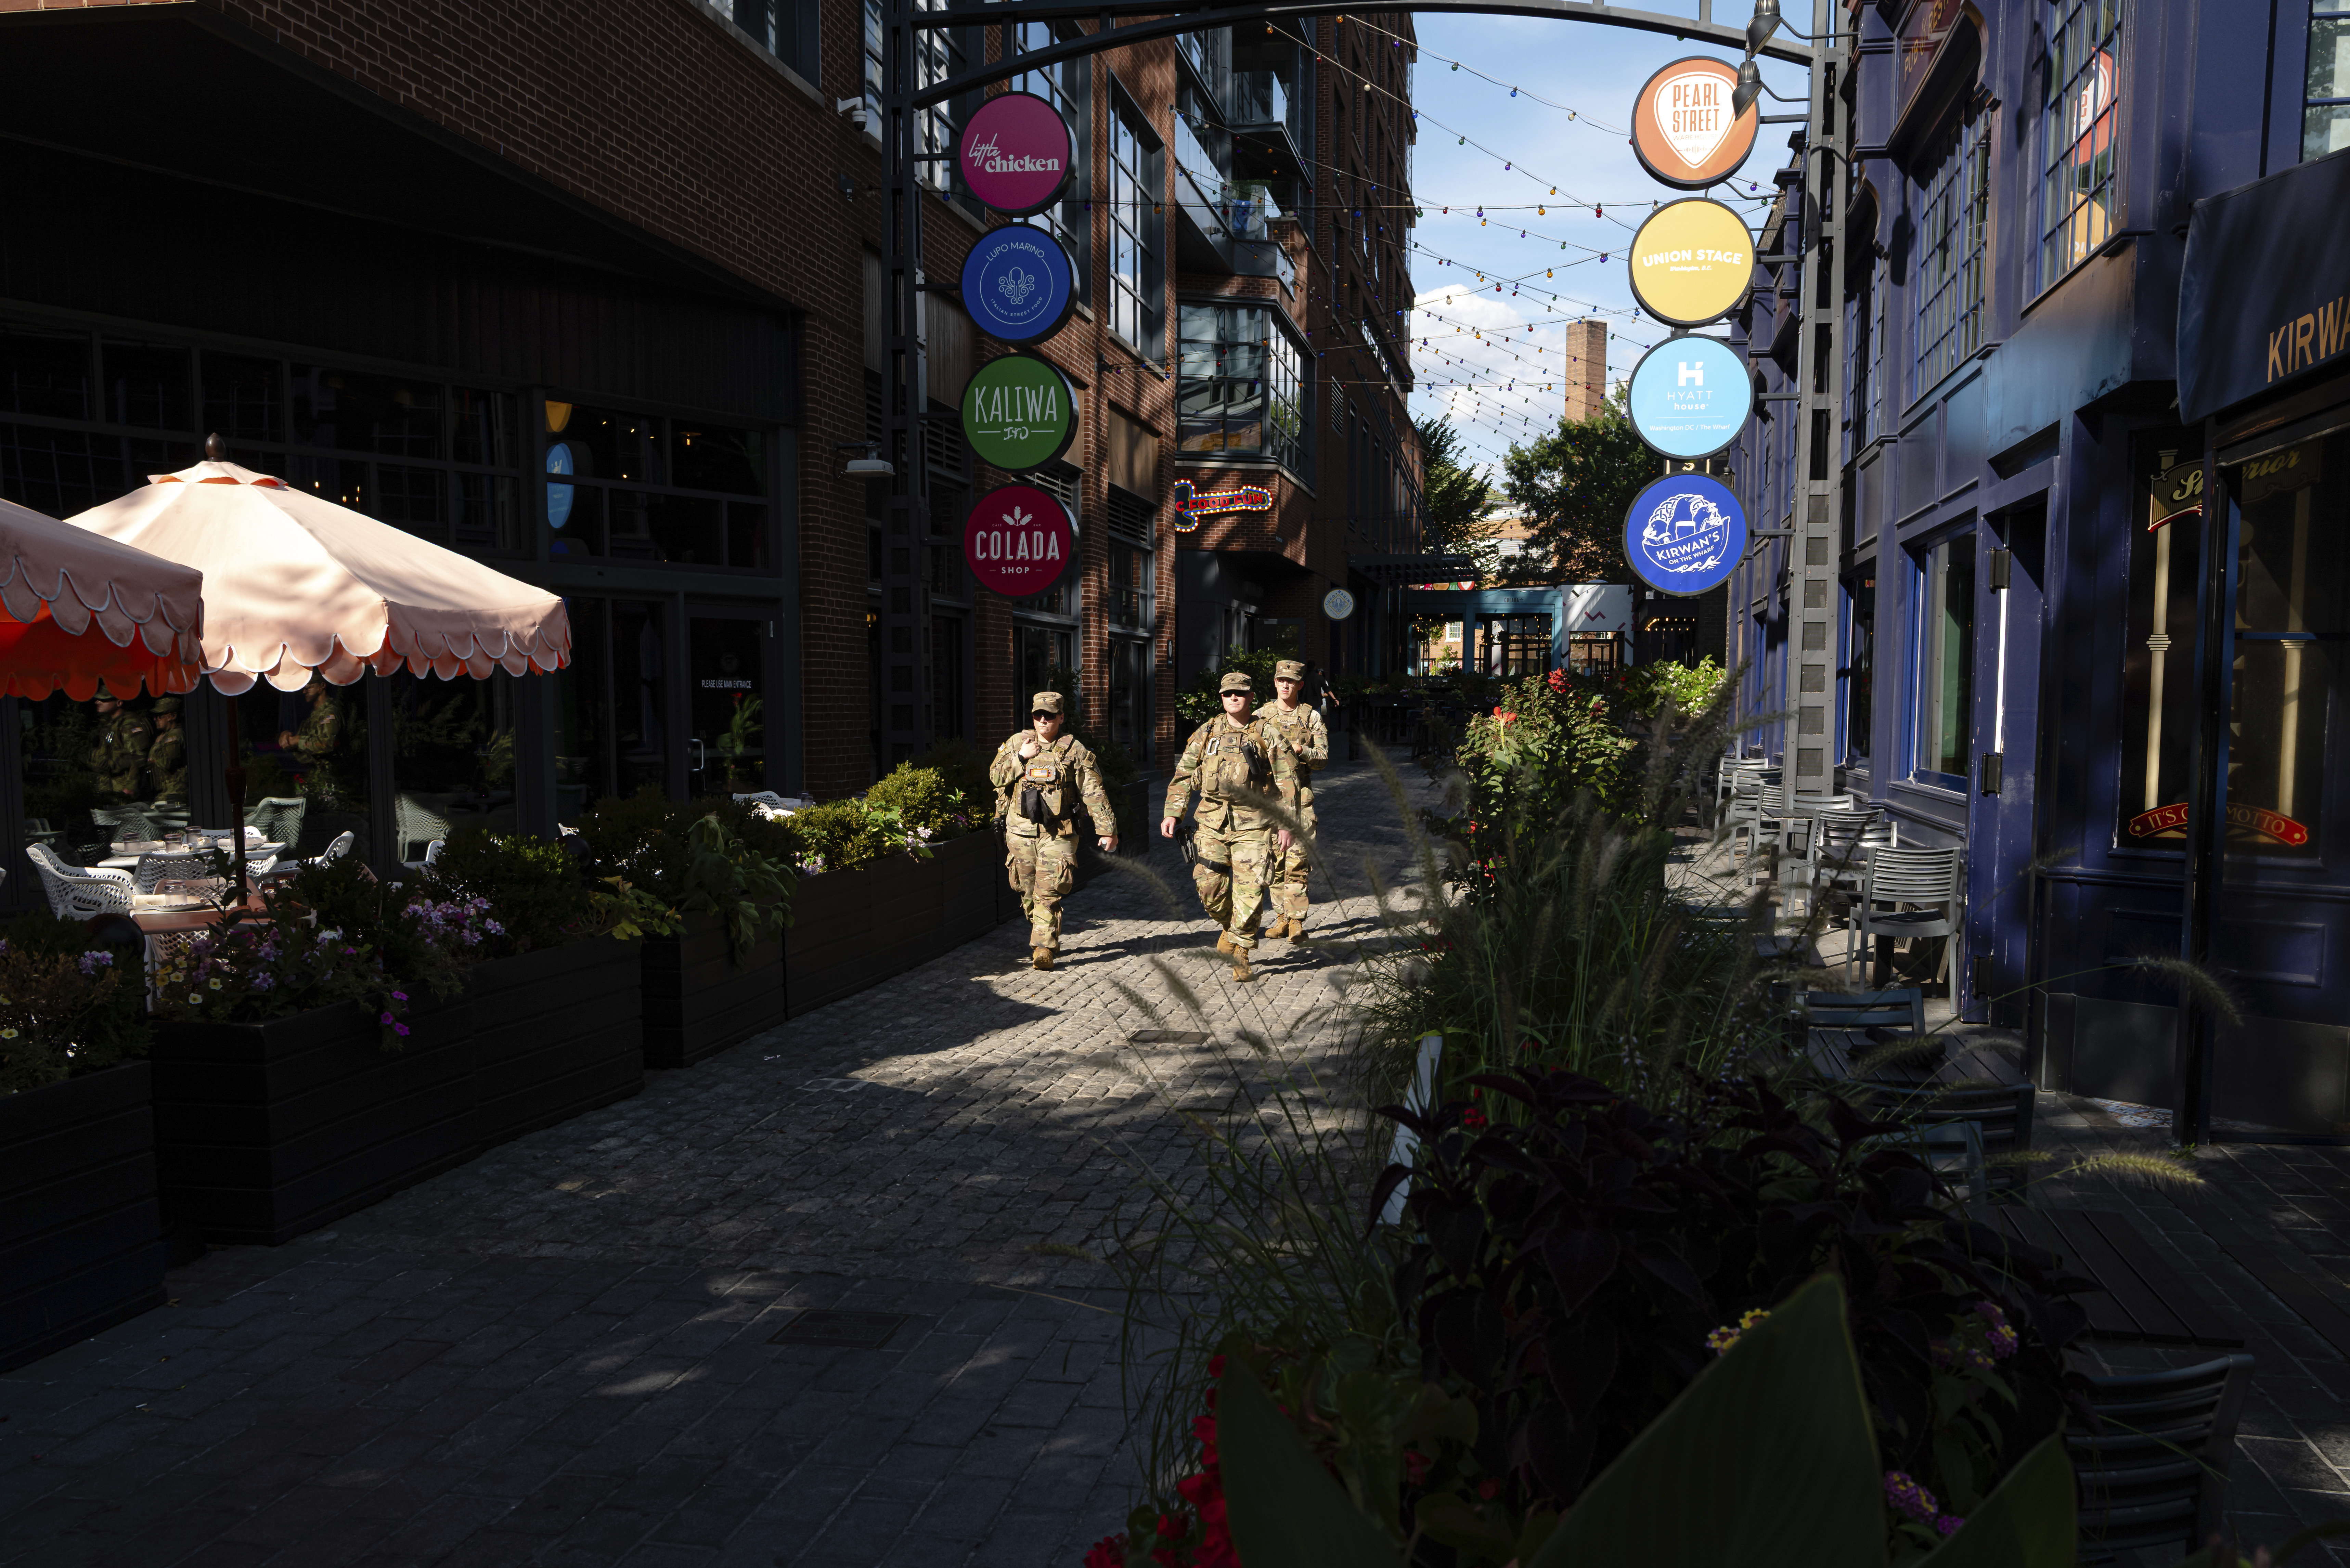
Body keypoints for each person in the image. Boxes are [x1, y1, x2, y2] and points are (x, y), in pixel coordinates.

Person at [1161, 671, 1299, 982]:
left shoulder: (1267, 733)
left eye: (1240, 693)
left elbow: (1288, 780)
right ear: (1221, 697)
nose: (1233, 698)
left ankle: (1241, 950)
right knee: (1209, 888)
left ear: (1251, 697)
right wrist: (1173, 812)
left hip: (1255, 823)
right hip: (1211, 821)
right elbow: (1185, 774)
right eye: (1227, 694)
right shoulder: (1207, 731)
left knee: (1250, 891)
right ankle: (1231, 927)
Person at [989, 691, 1119, 972]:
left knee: (1048, 892)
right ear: (1033, 716)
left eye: (1050, 715)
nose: (1044, 720)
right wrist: (1021, 759)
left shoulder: (1074, 750)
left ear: (1061, 717)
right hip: (1020, 833)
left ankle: (1043, 947)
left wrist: (1107, 829)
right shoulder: (1016, 743)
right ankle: (1045, 931)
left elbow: (1093, 790)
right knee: (1026, 890)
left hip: (1059, 834)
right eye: (1039, 715)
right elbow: (995, 776)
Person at [1258, 658, 1329, 941]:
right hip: (1269, 801)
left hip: (1301, 800)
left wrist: (1302, 750)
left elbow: (1323, 758)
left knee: (1297, 861)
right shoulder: (1261, 716)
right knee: (1275, 861)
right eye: (1281, 680)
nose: (1285, 685)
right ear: (1275, 682)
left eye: (1291, 681)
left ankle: (1297, 920)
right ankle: (1281, 917)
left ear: (1300, 684)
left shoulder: (1311, 717)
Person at [87, 682, 154, 802]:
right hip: (110, 789)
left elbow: (138, 758)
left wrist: (131, 787)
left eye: (105, 700)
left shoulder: (129, 725)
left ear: (119, 702)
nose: (98, 702)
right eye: (99, 699)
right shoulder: (111, 726)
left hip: (123, 791)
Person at [280, 676, 343, 796]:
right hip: (317, 778)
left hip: (330, 780)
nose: (305, 691)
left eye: (309, 687)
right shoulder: (315, 715)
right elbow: (304, 746)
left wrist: (297, 741)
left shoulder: (330, 713)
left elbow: (327, 744)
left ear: (322, 687)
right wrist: (287, 738)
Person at [146, 696, 186, 803]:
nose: (155, 719)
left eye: (159, 716)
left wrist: (157, 746)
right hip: (165, 792)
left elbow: (168, 763)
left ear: (172, 716)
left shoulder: (174, 735)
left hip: (174, 792)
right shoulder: (165, 736)